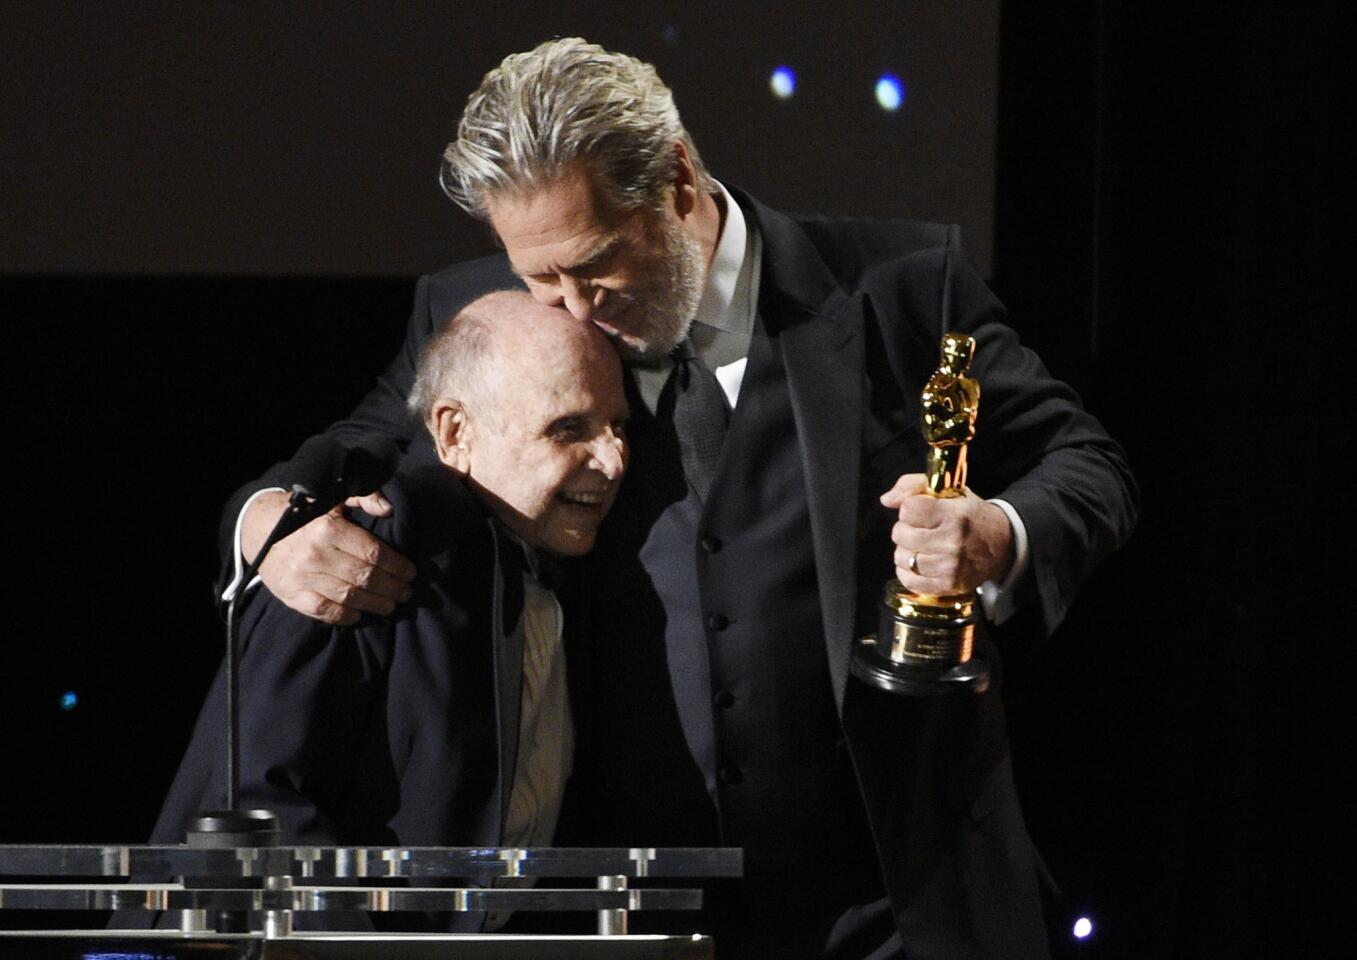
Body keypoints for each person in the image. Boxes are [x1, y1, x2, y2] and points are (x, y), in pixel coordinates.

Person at [221, 38, 1138, 959]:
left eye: (597, 264)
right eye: (539, 277)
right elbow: (344, 450)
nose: (571, 310)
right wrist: (266, 521)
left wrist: (998, 533)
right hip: (614, 909)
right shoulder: (473, 311)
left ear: (678, 176)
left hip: (891, 893)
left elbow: (1085, 463)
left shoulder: (897, 285)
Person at [150, 291, 627, 931]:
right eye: (568, 427)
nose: (614, 459)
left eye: (618, 426)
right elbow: (262, 808)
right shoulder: (379, 531)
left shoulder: (562, 568)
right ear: (456, 431)